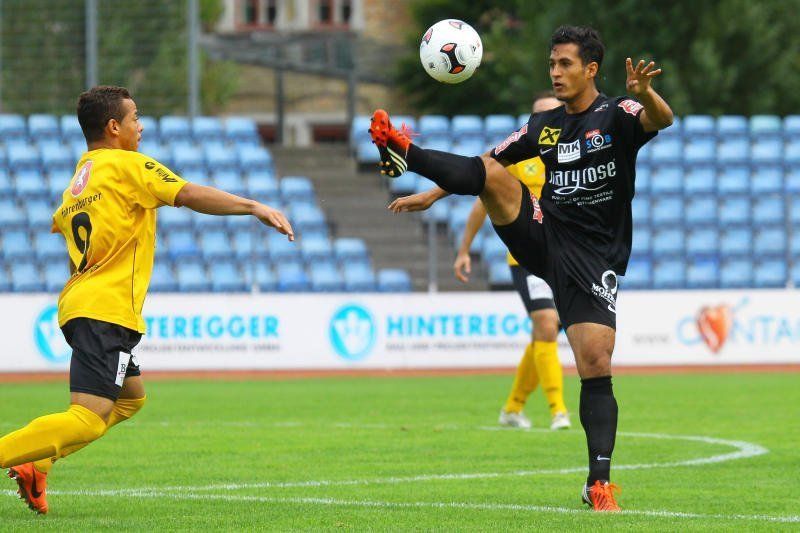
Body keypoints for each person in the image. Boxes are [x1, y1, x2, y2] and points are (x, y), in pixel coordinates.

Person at [370, 26, 673, 511]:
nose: (555, 72)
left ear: (591, 69)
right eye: (552, 64)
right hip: (543, 232)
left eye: (565, 64)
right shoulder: (543, 126)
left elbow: (662, 118)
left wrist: (646, 93)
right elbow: (485, 162)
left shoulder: (618, 113)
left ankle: (598, 484)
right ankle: (404, 150)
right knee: (494, 172)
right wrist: (433, 193)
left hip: (592, 258)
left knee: (596, 362)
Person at [0, 86, 293, 514]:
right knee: (88, 417)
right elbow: (186, 194)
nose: (141, 126)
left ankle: (37, 463)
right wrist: (252, 206)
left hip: (83, 304)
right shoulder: (127, 165)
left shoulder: (81, 180)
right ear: (113, 127)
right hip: (105, 310)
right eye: (135, 117)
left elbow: (64, 230)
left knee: (130, 399)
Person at [389, 93, 570, 432]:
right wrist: (463, 249)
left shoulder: (576, 155)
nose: (546, 121)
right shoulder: (522, 155)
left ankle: (513, 408)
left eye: (552, 113)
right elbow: (481, 180)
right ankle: (558, 410)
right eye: (539, 115)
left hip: (569, 253)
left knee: (546, 332)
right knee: (547, 325)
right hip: (529, 255)